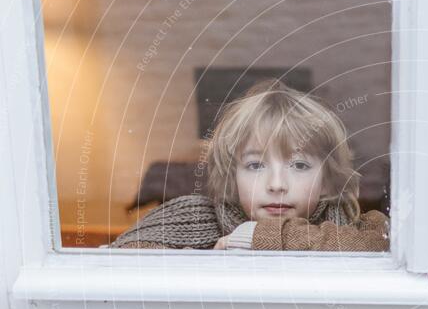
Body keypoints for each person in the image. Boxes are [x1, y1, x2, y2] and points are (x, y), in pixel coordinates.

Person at [110, 79, 388, 252]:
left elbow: (380, 246)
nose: (277, 184)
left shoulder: (358, 228)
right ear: (232, 176)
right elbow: (116, 260)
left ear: (327, 180)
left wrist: (259, 236)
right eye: (255, 166)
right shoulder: (195, 217)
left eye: (300, 165)